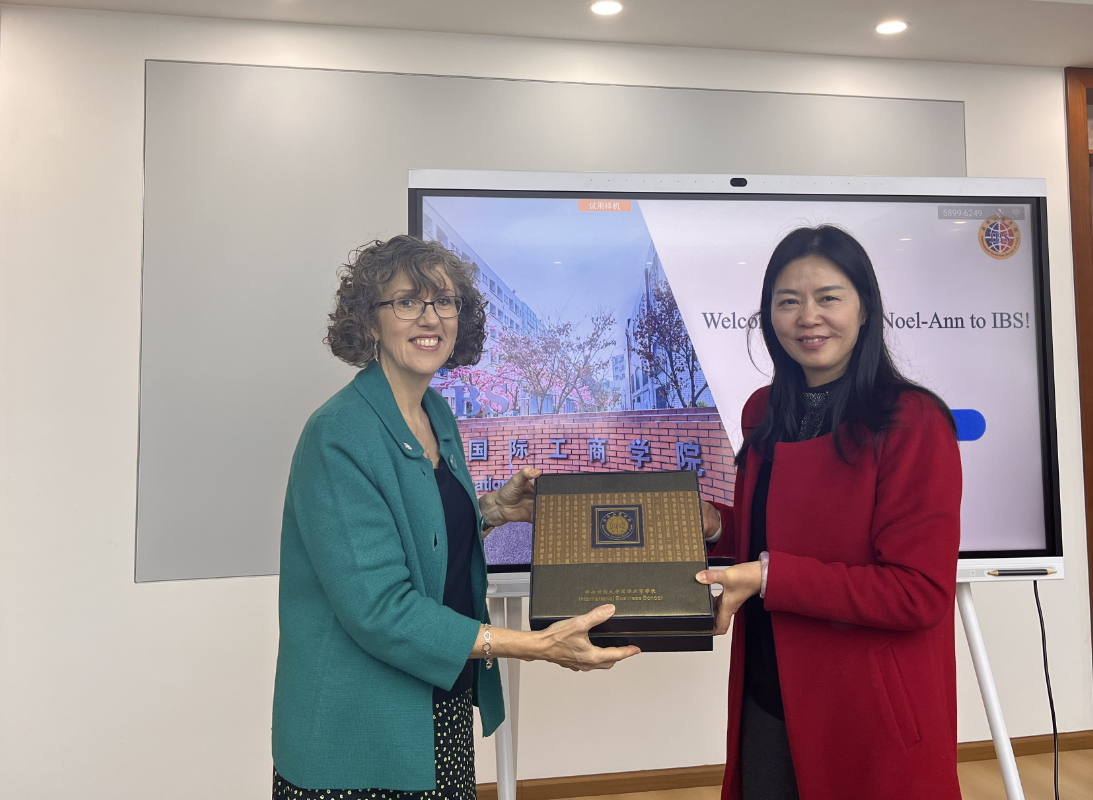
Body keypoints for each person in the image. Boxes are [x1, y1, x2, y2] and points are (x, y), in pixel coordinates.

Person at [271, 236, 640, 800]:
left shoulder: (435, 413)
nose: (430, 318)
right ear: (369, 320)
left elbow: (422, 535)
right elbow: (380, 610)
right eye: (406, 302)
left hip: (438, 703)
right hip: (356, 732)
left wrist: (493, 510)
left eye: (444, 301)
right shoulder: (338, 434)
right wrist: (535, 645)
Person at [697, 225, 962, 800]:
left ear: (864, 308)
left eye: (828, 298)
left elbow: (917, 593)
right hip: (769, 690)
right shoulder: (764, 410)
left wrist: (769, 578)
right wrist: (717, 526)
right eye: (788, 301)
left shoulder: (911, 420)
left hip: (867, 707)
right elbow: (779, 536)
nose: (808, 317)